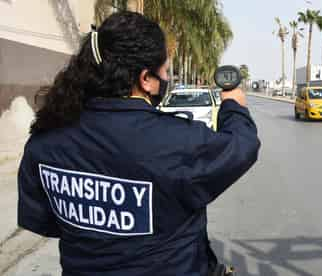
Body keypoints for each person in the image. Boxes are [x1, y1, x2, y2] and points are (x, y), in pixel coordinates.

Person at [18, 11, 260, 276]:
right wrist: (233, 106)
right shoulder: (175, 142)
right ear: (145, 78)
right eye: (165, 71)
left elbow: (47, 222)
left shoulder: (45, 138)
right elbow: (242, 145)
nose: (167, 79)